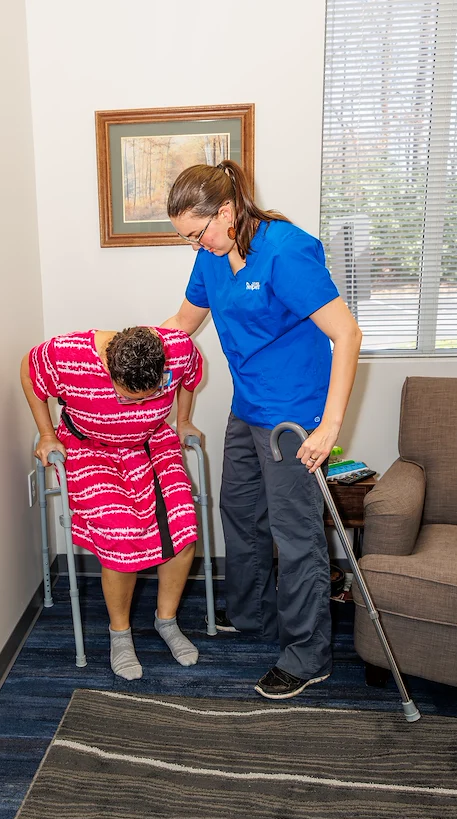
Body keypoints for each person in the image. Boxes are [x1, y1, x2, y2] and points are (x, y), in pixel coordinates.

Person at [163, 160, 362, 700]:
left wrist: (330, 427)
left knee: (294, 536)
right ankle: (251, 613)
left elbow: (347, 334)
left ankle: (307, 654)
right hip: (247, 405)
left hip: (296, 415)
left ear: (226, 212)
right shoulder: (210, 256)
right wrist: (129, 355)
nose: (195, 246)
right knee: (239, 509)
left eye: (197, 233)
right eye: (187, 238)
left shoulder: (285, 251)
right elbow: (180, 326)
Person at [21, 326, 203, 681]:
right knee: (122, 537)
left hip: (152, 444)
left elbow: (191, 376)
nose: (140, 405)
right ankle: (119, 635)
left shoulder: (178, 348)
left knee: (183, 528)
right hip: (90, 449)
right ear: (108, 370)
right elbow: (29, 372)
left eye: (148, 398)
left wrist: (181, 421)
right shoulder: (67, 354)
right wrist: (46, 434)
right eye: (129, 399)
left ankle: (166, 621)